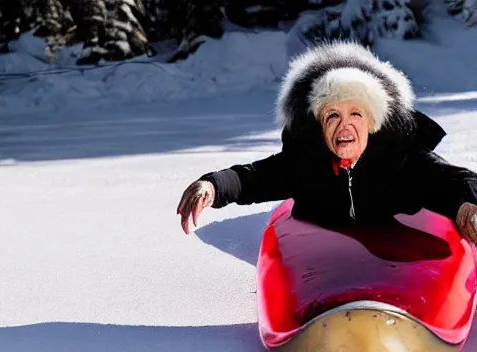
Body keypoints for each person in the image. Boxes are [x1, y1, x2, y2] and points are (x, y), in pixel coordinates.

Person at [177, 41, 477, 242]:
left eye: (355, 114)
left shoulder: (401, 158)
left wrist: (469, 207)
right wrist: (213, 185)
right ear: (319, 125)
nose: (344, 125)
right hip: (331, 256)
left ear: (371, 121)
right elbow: (253, 178)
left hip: (398, 250)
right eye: (332, 115)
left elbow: (450, 179)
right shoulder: (306, 163)